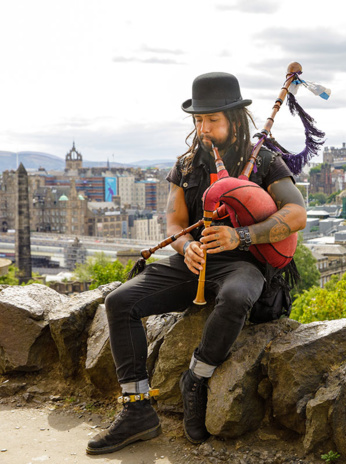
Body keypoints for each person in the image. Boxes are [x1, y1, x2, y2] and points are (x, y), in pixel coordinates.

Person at [86, 72, 307, 455]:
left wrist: (240, 236)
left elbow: (297, 213)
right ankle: (137, 410)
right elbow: (174, 223)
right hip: (195, 264)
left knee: (237, 297)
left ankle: (197, 378)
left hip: (243, 263)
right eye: (198, 120)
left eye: (212, 120)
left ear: (235, 120)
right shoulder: (186, 166)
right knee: (120, 303)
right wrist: (186, 246)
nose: (203, 129)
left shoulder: (265, 162)